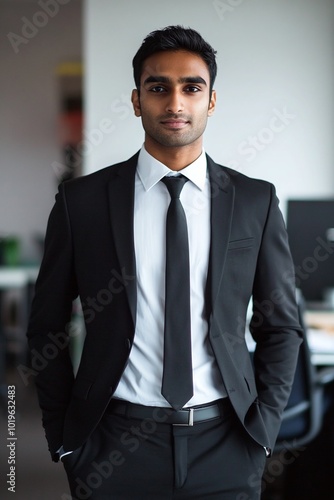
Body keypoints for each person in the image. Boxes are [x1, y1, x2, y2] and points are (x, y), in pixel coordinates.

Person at [27, 26, 303, 499]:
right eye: (158, 87)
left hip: (227, 445)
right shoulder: (83, 202)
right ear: (137, 101)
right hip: (111, 447)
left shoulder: (254, 201)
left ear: (210, 101)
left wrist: (264, 432)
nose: (175, 102)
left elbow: (281, 326)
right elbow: (45, 325)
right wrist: (65, 441)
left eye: (191, 88)